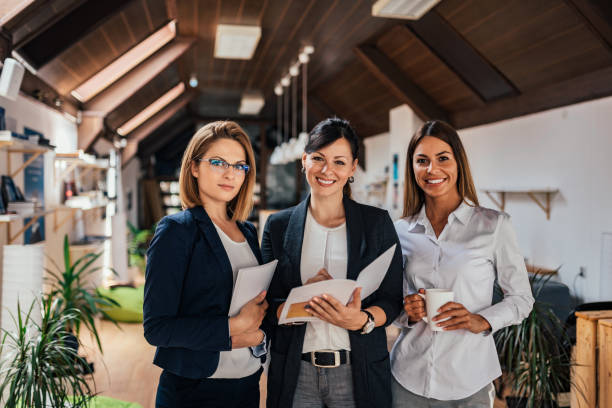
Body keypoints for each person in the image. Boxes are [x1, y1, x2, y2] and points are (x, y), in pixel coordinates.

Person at [390, 120, 535, 407]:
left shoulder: (494, 226)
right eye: (422, 161)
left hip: (470, 379)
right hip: (407, 377)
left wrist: (480, 320)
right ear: (412, 168)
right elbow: (390, 303)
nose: (432, 169)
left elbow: (522, 298)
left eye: (442, 158)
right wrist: (407, 312)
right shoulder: (400, 231)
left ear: (458, 163)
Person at [262, 117, 404, 408]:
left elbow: (392, 299)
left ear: (353, 168)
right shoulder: (278, 226)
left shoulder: (376, 223)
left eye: (339, 162)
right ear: (304, 161)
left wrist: (361, 320)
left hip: (357, 369)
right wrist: (297, 301)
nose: (327, 171)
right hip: (295, 369)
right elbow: (264, 304)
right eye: (318, 158)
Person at [143, 121, 268, 408]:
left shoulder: (247, 231)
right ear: (194, 168)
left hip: (248, 385)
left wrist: (260, 333)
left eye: (240, 166)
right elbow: (157, 328)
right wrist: (232, 328)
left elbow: (255, 305)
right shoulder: (176, 231)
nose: (230, 173)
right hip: (195, 391)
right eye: (218, 162)